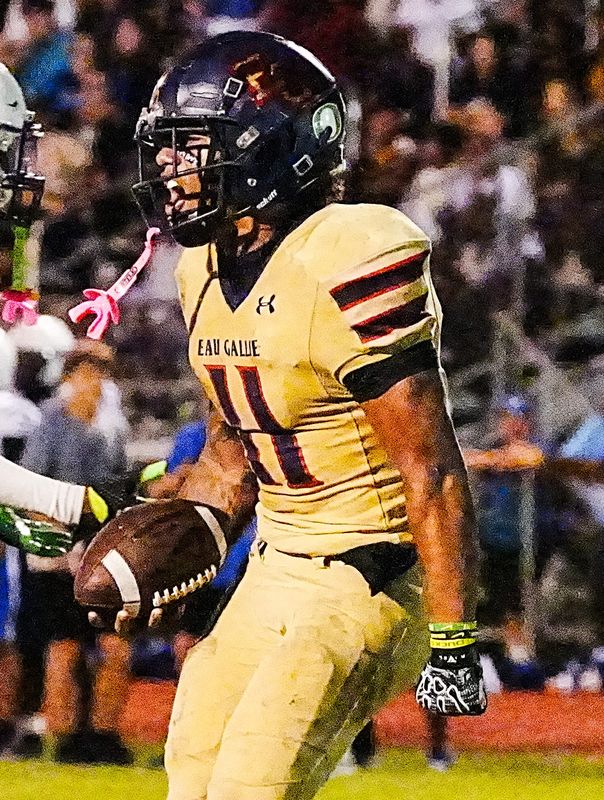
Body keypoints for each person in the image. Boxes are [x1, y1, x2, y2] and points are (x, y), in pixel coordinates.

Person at [122, 30, 485, 800]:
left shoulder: (349, 251)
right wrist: (169, 547)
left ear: (275, 147)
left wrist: (454, 637)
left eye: (194, 144)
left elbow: (430, 464)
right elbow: (230, 459)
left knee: (252, 783)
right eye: (168, 146)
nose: (171, 167)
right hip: (274, 563)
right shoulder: (201, 269)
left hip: (368, 571)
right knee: (191, 770)